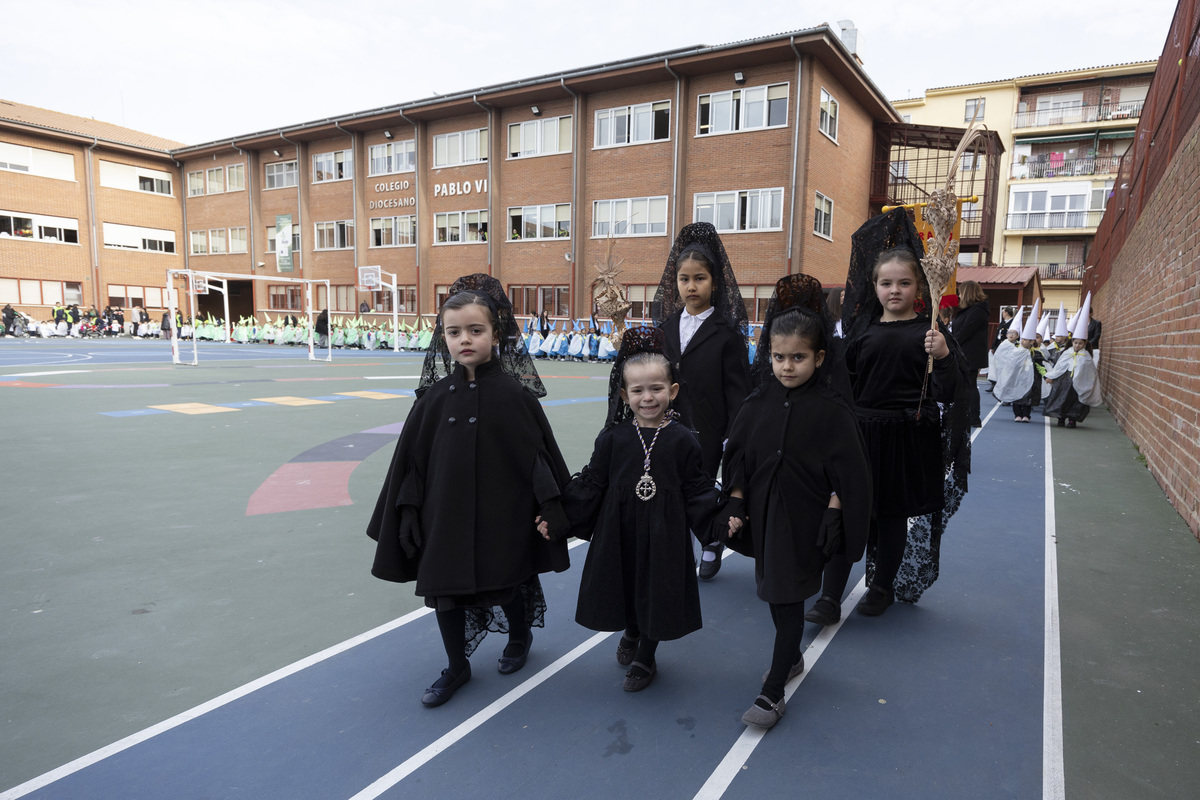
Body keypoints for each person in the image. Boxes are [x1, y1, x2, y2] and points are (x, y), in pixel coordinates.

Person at [366, 274, 570, 708]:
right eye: (454, 332)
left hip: (504, 514)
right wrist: (406, 512)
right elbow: (412, 464)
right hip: (442, 517)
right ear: (443, 337)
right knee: (443, 590)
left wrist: (552, 507)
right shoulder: (433, 399)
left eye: (476, 330)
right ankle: (456, 665)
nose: (465, 340)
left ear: (496, 333)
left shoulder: (516, 395)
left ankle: (520, 635)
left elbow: (539, 458)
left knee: (510, 579)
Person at [718, 274, 871, 729]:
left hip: (804, 519)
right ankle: (791, 659)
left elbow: (851, 472)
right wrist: (737, 502)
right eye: (779, 357)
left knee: (785, 597)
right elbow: (738, 455)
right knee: (774, 592)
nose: (787, 366)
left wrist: (837, 509)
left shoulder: (832, 409)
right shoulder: (760, 399)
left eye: (798, 357)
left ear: (819, 357)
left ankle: (772, 692)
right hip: (765, 515)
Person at [809, 209, 971, 620]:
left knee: (890, 517)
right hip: (861, 434)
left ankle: (881, 587)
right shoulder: (860, 333)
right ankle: (829, 596)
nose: (894, 290)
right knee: (846, 512)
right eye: (886, 283)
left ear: (918, 286)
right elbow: (843, 387)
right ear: (874, 285)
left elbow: (951, 393)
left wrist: (945, 355)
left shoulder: (929, 333)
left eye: (903, 282)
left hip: (905, 435)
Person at [545, 327, 720, 693]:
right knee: (625, 582)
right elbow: (592, 483)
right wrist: (560, 517)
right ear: (624, 394)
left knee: (657, 587)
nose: (647, 397)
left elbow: (697, 489)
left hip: (664, 531)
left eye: (656, 388)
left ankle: (647, 655)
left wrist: (722, 522)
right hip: (619, 529)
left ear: (672, 391)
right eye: (638, 390)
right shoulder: (613, 438)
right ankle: (631, 629)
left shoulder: (684, 440)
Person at [652, 222, 751, 580]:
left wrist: (732, 433)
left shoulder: (726, 333)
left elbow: (738, 390)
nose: (691, 287)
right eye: (683, 279)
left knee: (702, 487)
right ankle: (676, 549)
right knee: (669, 487)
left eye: (699, 278)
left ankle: (711, 542)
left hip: (709, 428)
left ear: (714, 282)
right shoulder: (664, 327)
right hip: (669, 424)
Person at [1044, 297, 1101, 428]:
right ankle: (1060, 417)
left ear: (1084, 344)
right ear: (1072, 342)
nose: (1077, 345)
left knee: (1075, 400)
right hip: (1065, 381)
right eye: (1075, 342)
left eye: (1080, 343)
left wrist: (1090, 383)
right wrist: (1051, 376)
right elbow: (1059, 366)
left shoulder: (1086, 356)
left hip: (1079, 382)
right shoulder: (1067, 353)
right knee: (1061, 398)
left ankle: (1072, 419)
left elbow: (1090, 371)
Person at [992, 299, 1045, 423]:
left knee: (1027, 396)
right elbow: (1009, 362)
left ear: (1032, 341)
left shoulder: (1035, 353)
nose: (1022, 341)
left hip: (1029, 379)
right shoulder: (1016, 351)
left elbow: (1039, 366)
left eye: (1025, 340)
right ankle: (1017, 414)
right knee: (1016, 395)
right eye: (1022, 339)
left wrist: (1045, 375)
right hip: (1017, 377)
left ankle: (1026, 415)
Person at [952, 280, 990, 427]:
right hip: (966, 352)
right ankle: (967, 414)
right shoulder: (974, 309)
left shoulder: (977, 310)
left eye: (961, 292)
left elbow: (965, 332)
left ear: (967, 293)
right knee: (966, 385)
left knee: (969, 385)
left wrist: (951, 343)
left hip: (969, 354)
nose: (959, 295)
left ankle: (973, 417)